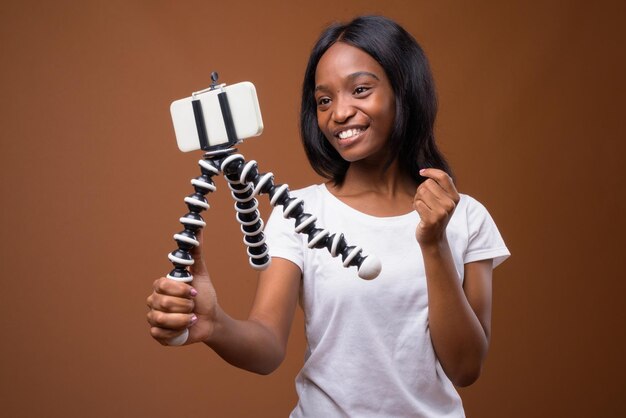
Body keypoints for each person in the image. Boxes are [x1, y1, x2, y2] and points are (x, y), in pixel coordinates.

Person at [147, 15, 510, 417]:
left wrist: (434, 242)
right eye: (324, 100)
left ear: (404, 92)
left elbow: (465, 367)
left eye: (360, 90)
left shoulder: (466, 217)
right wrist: (214, 325)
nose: (339, 113)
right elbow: (267, 347)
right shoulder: (298, 214)